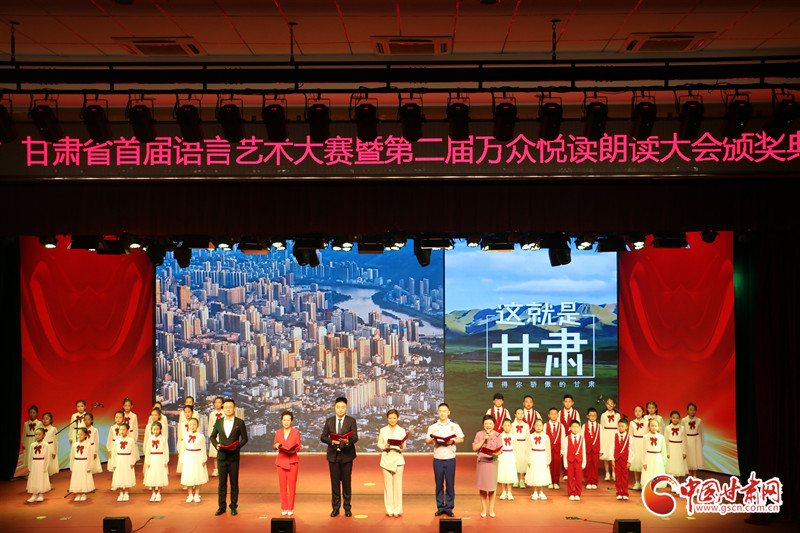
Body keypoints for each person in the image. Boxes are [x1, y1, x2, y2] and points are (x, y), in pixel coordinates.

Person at [320, 396, 359, 517]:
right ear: (335, 408)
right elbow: (323, 437)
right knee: (335, 483)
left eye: (343, 407)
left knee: (347, 483)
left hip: (347, 456)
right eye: (338, 407)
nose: (340, 409)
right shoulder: (329, 421)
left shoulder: (351, 421)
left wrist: (347, 442)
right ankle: (335, 508)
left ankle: (347, 507)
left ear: (346, 408)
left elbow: (355, 438)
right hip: (333, 456)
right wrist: (332, 442)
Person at [425, 402, 465, 517]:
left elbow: (461, 438)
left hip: (450, 458)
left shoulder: (454, 425)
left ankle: (449, 507)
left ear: (448, 412)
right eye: (440, 411)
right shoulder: (433, 426)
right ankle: (440, 507)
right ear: (438, 412)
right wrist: (433, 441)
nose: (442, 413)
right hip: (438, 458)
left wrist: (452, 441)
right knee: (438, 484)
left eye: (444, 411)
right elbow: (427, 440)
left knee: (450, 484)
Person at [210, 398, 248, 516]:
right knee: (222, 484)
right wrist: (216, 445)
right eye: (225, 407)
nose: (228, 409)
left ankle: (233, 506)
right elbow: (212, 437)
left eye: (230, 407)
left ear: (234, 409)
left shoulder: (239, 422)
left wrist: (237, 447)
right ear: (223, 409)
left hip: (234, 457)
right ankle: (221, 507)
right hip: (221, 456)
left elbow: (245, 438)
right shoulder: (218, 422)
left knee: (234, 483)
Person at [377, 409, 406, 517]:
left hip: (398, 459)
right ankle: (389, 509)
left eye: (394, 418)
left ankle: (397, 510)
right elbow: (379, 443)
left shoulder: (401, 430)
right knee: (387, 486)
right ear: (387, 419)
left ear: (397, 418)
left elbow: (404, 446)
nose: (392, 420)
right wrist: (384, 446)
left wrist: (401, 446)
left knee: (398, 486)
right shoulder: (383, 430)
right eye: (390, 418)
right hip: (386, 458)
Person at [473, 414, 502, 518]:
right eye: (486, 423)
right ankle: (484, 509)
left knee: (492, 487)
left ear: (494, 424)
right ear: (483, 424)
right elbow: (475, 448)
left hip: (492, 462)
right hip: (482, 462)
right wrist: (483, 440)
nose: (488, 425)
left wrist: (494, 453)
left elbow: (500, 450)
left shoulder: (498, 435)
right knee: (482, 487)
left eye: (490, 423)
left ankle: (491, 509)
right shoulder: (479, 434)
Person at [274, 411, 301, 517]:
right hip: (281, 461)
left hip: (292, 461)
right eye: (284, 420)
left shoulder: (296, 432)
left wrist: (292, 450)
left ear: (291, 421)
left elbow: (298, 446)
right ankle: (284, 507)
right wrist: (277, 445)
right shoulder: (278, 432)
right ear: (281, 421)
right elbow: (275, 444)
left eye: (288, 420)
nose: (286, 422)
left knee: (292, 486)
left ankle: (290, 508)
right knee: (282, 486)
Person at [181, 417, 208, 503]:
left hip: (197, 457)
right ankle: (190, 495)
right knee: (189, 476)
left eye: (194, 424)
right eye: (190, 424)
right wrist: (182, 459)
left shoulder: (201, 436)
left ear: (197, 426)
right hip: (188, 457)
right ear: (188, 426)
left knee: (197, 475)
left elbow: (203, 448)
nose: (192, 426)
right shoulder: (185, 436)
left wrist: (204, 459)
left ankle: (196, 494)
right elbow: (183, 448)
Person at [526, 418, 551, 501]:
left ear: (543, 427)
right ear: (534, 426)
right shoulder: (531, 436)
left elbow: (548, 449)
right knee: (534, 473)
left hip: (542, 456)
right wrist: (528, 460)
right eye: (536, 425)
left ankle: (541, 492)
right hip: (534, 456)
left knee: (542, 474)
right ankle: (535, 491)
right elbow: (528, 449)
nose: (538, 427)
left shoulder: (546, 437)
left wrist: (548, 460)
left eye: (540, 425)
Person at [144, 421, 169, 502]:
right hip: (152, 458)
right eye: (154, 429)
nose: (156, 431)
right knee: (153, 475)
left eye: (157, 429)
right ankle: (153, 493)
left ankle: (159, 493)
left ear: (160, 430)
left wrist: (165, 461)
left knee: (160, 475)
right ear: (152, 430)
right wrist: (147, 461)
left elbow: (166, 450)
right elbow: (148, 450)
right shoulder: (150, 439)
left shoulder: (163, 439)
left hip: (160, 458)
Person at [111, 422, 136, 501]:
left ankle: (126, 493)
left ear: (127, 431)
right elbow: (114, 453)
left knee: (127, 475)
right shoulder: (117, 440)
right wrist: (114, 463)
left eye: (124, 430)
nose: (122, 431)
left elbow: (133, 452)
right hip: (119, 460)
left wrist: (132, 462)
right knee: (120, 476)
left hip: (127, 459)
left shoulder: (131, 440)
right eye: (120, 430)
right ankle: (121, 492)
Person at [25, 428, 51, 503]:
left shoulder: (46, 445)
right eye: (36, 434)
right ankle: (34, 494)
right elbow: (30, 456)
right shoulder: (32, 445)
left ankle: (40, 494)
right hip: (34, 463)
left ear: (44, 435)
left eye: (39, 434)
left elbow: (47, 457)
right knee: (34, 478)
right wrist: (30, 466)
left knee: (41, 478)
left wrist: (45, 466)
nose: (37, 436)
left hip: (41, 463)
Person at [69, 427, 94, 502]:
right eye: (78, 434)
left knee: (83, 478)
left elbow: (90, 456)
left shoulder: (88, 445)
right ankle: (78, 493)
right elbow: (72, 456)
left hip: (84, 463)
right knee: (77, 478)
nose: (79, 436)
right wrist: (72, 465)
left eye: (81, 434)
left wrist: (89, 466)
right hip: (77, 463)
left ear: (85, 435)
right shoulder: (74, 444)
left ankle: (83, 493)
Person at [664, 410, 688, 488]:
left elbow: (684, 440)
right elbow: (666, 441)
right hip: (671, 448)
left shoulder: (682, 428)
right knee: (671, 467)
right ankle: (672, 484)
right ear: (670, 418)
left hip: (679, 448)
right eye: (673, 418)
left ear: (679, 419)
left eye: (677, 418)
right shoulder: (667, 428)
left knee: (678, 467)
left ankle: (677, 485)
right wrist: (667, 452)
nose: (675, 419)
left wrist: (684, 451)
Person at [559, 395, 580, 481]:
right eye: (566, 402)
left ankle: (573, 473)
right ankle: (565, 473)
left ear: (572, 403)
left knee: (573, 454)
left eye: (569, 402)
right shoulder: (560, 412)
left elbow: (578, 425)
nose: (567, 404)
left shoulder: (575, 412)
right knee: (564, 453)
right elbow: (559, 425)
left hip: (573, 436)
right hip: (563, 437)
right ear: (563, 402)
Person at [563, 419, 586, 501]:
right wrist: (565, 463)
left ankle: (578, 493)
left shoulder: (582, 439)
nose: (575, 429)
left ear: (579, 428)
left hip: (579, 461)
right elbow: (565, 451)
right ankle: (571, 492)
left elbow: (583, 451)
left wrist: (584, 463)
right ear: (570, 428)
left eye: (577, 427)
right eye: (573, 427)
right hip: (570, 461)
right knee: (570, 478)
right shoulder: (567, 438)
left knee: (578, 478)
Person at [641, 419, 667, 488]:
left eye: (655, 426)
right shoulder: (646, 437)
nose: (654, 427)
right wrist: (644, 462)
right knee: (649, 474)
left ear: (658, 427)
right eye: (652, 426)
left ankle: (656, 492)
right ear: (649, 427)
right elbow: (644, 450)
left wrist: (664, 461)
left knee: (657, 475)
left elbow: (663, 450)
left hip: (657, 458)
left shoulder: (661, 437)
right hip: (649, 458)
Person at [600, 397, 621, 481]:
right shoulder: (603, 415)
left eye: (611, 403)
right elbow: (602, 427)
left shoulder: (617, 415)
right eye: (608, 403)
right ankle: (607, 473)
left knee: (614, 454)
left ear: (614, 405)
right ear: (606, 405)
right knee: (606, 455)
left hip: (614, 433)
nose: (609, 405)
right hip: (606, 434)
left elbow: (619, 426)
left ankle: (614, 473)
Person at [682, 403, 705, 478]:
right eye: (690, 410)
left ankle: (694, 474)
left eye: (693, 410)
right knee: (689, 457)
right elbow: (682, 432)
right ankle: (689, 474)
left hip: (696, 440)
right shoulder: (684, 420)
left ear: (696, 411)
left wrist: (701, 443)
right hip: (687, 439)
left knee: (695, 457)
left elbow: (701, 432)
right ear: (687, 411)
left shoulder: (699, 420)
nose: (692, 411)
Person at [496, 419, 517, 500]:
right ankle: (503, 491)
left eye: (508, 425)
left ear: (511, 426)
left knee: (510, 473)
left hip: (511, 455)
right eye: (505, 425)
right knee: (503, 473)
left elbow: (515, 448)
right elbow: (498, 447)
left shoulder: (513, 436)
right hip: (502, 455)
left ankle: (509, 492)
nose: (507, 427)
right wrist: (498, 457)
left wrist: (515, 458)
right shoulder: (500, 436)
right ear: (502, 426)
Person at [614, 418, 634, 500]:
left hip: (625, 460)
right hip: (617, 459)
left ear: (626, 427)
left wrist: (629, 461)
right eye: (619, 426)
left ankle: (625, 493)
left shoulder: (629, 437)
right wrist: (612, 459)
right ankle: (619, 492)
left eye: (622, 426)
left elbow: (631, 450)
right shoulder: (615, 436)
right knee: (618, 477)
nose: (620, 428)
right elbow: (612, 447)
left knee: (625, 477)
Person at [544, 407, 564, 489]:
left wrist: (562, 450)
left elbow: (562, 438)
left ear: (558, 415)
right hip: (548, 449)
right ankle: (549, 481)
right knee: (549, 465)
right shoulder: (546, 425)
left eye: (555, 414)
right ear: (549, 415)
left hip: (557, 448)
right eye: (552, 414)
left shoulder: (561, 426)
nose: (553, 415)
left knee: (556, 465)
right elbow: (544, 438)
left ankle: (556, 482)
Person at [511, 408, 531, 489]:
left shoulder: (526, 425)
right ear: (515, 415)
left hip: (523, 445)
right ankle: (515, 479)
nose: (520, 415)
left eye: (522, 413)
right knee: (515, 461)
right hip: (515, 445)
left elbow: (528, 437)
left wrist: (528, 447)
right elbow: (511, 436)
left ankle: (522, 479)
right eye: (518, 413)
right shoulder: (512, 425)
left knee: (523, 462)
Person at [629, 405, 647, 490]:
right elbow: (630, 435)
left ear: (643, 412)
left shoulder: (646, 422)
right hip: (635, 443)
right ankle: (636, 482)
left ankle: (643, 482)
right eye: (636, 411)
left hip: (643, 442)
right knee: (636, 463)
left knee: (643, 463)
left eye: (639, 411)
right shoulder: (632, 422)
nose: (638, 413)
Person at [21, 405, 43, 473]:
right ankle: (29, 472)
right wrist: (23, 443)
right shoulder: (26, 423)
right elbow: (24, 433)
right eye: (30, 413)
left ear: (36, 413)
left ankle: (35, 471)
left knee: (34, 455)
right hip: (27, 441)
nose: (32, 414)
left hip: (35, 440)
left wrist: (39, 442)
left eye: (33, 413)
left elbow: (40, 433)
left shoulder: (39, 423)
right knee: (28, 456)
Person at [582, 408, 600, 489]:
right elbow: (582, 438)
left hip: (596, 449)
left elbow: (601, 438)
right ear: (587, 416)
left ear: (596, 416)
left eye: (594, 415)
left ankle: (594, 481)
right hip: (587, 449)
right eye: (591, 415)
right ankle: (588, 481)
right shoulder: (584, 426)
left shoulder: (599, 426)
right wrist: (582, 449)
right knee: (588, 465)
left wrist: (601, 449)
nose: (592, 417)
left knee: (595, 466)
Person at [208, 397, 225, 476]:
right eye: (216, 402)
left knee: (223, 453)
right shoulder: (212, 414)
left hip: (223, 435)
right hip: (215, 435)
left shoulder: (225, 413)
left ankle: (223, 470)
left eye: (219, 402)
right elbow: (210, 426)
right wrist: (210, 437)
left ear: (222, 404)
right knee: (215, 454)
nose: (217, 404)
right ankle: (216, 469)